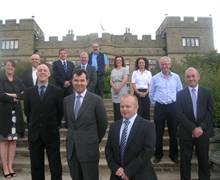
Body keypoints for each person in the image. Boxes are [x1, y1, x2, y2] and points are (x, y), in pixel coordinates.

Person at [64, 69, 108, 180]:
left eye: (82, 80)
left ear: (87, 82)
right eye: (76, 80)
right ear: (72, 82)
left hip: (89, 151)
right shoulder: (66, 100)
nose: (79, 83)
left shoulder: (96, 100)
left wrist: (92, 140)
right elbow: (68, 123)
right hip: (72, 151)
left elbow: (102, 125)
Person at [24, 64, 63, 180]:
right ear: (36, 73)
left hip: (51, 134)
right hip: (35, 134)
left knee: (55, 165)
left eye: (45, 70)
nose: (42, 72)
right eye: (39, 70)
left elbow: (60, 112)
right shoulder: (28, 92)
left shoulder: (57, 91)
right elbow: (27, 112)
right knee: (36, 166)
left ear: (49, 74)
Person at [105, 95, 157, 180]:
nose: (124, 109)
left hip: (140, 175)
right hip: (118, 175)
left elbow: (148, 151)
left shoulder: (147, 126)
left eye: (128, 106)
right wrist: (116, 168)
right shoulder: (114, 126)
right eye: (122, 106)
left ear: (136, 108)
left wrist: (128, 171)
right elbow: (108, 150)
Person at [176, 67, 214, 180]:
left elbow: (210, 112)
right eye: (188, 76)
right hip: (186, 132)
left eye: (193, 76)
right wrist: (193, 129)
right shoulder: (180, 94)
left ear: (198, 77)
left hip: (203, 132)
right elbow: (179, 114)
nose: (191, 78)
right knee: (185, 161)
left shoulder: (207, 92)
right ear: (185, 79)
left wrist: (201, 128)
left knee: (203, 160)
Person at [149, 56, 182, 163]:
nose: (165, 66)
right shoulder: (155, 78)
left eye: (166, 64)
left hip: (173, 107)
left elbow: (180, 92)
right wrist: (156, 103)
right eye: (162, 64)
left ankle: (174, 155)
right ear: (160, 65)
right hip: (160, 107)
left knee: (174, 132)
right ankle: (158, 155)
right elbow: (151, 93)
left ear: (170, 65)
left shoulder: (176, 77)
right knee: (158, 132)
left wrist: (177, 104)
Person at [0, 60, 25, 178]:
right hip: (4, 114)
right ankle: (5, 167)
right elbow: (0, 94)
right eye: (7, 65)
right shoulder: (0, 79)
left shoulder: (18, 80)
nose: (9, 67)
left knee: (13, 141)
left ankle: (10, 166)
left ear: (14, 68)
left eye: (11, 66)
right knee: (4, 140)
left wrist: (9, 95)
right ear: (5, 67)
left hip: (16, 114)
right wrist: (15, 96)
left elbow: (24, 94)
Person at [110, 56, 129, 121]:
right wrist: (114, 87)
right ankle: (116, 122)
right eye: (117, 60)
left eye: (120, 60)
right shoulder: (113, 70)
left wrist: (118, 88)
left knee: (122, 105)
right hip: (114, 89)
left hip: (122, 88)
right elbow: (111, 80)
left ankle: (123, 120)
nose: (118, 61)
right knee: (115, 106)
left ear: (122, 61)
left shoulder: (125, 69)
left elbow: (125, 79)